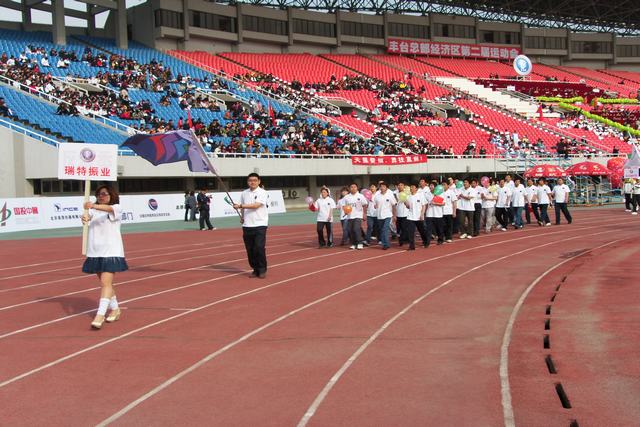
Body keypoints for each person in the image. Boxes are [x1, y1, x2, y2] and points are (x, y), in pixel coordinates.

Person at [81, 185, 128, 330]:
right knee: (105, 283)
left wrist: (93, 205)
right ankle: (115, 309)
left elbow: (109, 209)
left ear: (111, 195)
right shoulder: (94, 211)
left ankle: (100, 315)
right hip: (95, 251)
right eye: (99, 194)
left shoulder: (116, 208)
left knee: (105, 283)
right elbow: (88, 221)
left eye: (104, 194)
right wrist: (85, 218)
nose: (101, 196)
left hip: (110, 251)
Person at [233, 173, 269, 278]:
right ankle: (255, 269)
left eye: (254, 180)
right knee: (250, 249)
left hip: (260, 224)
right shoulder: (244, 193)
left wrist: (240, 205)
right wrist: (242, 216)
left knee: (259, 247)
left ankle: (262, 269)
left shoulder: (263, 192)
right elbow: (243, 208)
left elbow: (256, 205)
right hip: (247, 225)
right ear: (247, 182)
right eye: (250, 180)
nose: (252, 182)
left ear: (259, 181)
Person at [344, 183, 368, 250]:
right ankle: (354, 243)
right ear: (349, 188)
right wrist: (346, 211)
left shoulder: (360, 196)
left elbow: (365, 205)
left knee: (356, 229)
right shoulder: (347, 197)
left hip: (358, 215)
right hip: (350, 216)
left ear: (357, 188)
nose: (353, 188)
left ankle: (360, 243)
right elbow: (345, 206)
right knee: (351, 230)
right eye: (351, 187)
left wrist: (364, 214)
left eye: (354, 187)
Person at [405, 184, 429, 250]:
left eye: (413, 187)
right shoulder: (408, 196)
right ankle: (411, 246)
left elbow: (424, 205)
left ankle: (426, 241)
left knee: (422, 231)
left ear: (416, 189)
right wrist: (405, 203)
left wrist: (422, 214)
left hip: (418, 217)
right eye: (411, 187)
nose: (411, 188)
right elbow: (408, 207)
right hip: (410, 216)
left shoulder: (420, 195)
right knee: (410, 232)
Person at [373, 182, 396, 250]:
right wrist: (375, 206)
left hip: (388, 215)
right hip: (379, 216)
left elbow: (394, 205)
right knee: (381, 230)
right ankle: (385, 243)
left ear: (386, 188)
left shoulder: (390, 196)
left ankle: (385, 244)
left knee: (385, 229)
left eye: (384, 186)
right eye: (381, 186)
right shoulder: (377, 196)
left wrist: (394, 215)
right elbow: (375, 205)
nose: (382, 187)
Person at [394, 182, 409, 246]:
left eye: (401, 185)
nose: (400, 186)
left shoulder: (407, 193)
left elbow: (408, 203)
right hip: (398, 213)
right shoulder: (395, 193)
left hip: (405, 213)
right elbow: (394, 203)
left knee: (404, 228)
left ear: (404, 186)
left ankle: (405, 240)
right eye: (399, 185)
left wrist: (405, 200)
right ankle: (401, 240)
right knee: (399, 229)